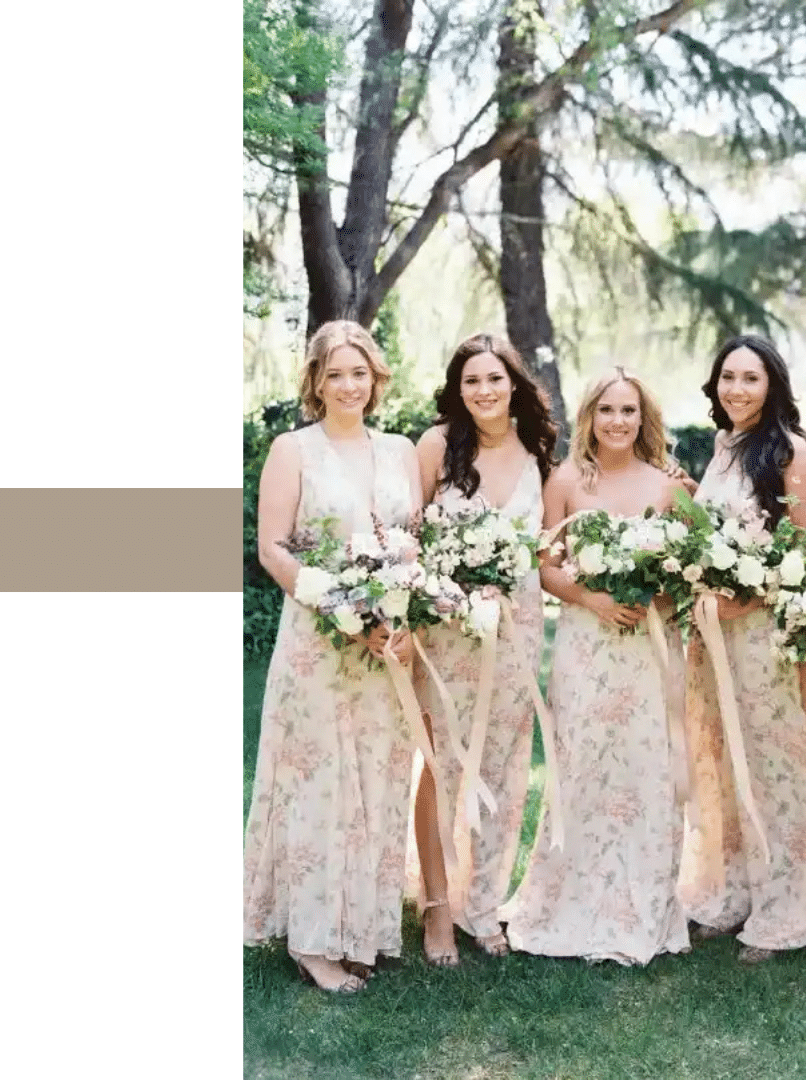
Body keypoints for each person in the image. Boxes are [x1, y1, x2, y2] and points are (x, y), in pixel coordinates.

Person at [243, 320, 424, 993]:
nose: (349, 386)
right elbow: (273, 548)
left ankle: (366, 929)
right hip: (319, 641)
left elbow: (409, 540)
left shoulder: (401, 449)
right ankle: (316, 941)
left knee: (376, 778)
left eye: (360, 373)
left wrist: (401, 611)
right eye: (335, 374)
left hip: (387, 647)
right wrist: (341, 608)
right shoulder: (294, 450)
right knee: (322, 784)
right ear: (316, 382)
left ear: (378, 378)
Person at [498, 368, 691, 965]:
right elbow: (546, 565)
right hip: (586, 645)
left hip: (648, 650)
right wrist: (594, 598)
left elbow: (693, 567)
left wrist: (653, 598)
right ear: (590, 418)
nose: (618, 421)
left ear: (643, 418)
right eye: (607, 410)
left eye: (629, 411)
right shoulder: (565, 481)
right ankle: (573, 900)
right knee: (583, 765)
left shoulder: (669, 487)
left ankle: (644, 903)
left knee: (646, 770)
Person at [678, 334, 806, 963]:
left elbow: (805, 551)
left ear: (772, 384)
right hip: (713, 638)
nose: (737, 390)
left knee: (779, 769)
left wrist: (742, 599)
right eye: (728, 377)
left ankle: (791, 907)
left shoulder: (789, 453)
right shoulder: (724, 450)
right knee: (724, 765)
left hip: (766, 640)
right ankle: (739, 892)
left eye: (750, 378)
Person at [410, 333, 557, 963]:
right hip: (447, 628)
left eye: (495, 379)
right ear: (457, 388)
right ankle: (438, 909)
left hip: (516, 627)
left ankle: (484, 904)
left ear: (514, 385)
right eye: (472, 381)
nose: (484, 391)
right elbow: (409, 534)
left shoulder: (538, 451)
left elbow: (549, 544)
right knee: (444, 764)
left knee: (503, 761)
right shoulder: (437, 445)